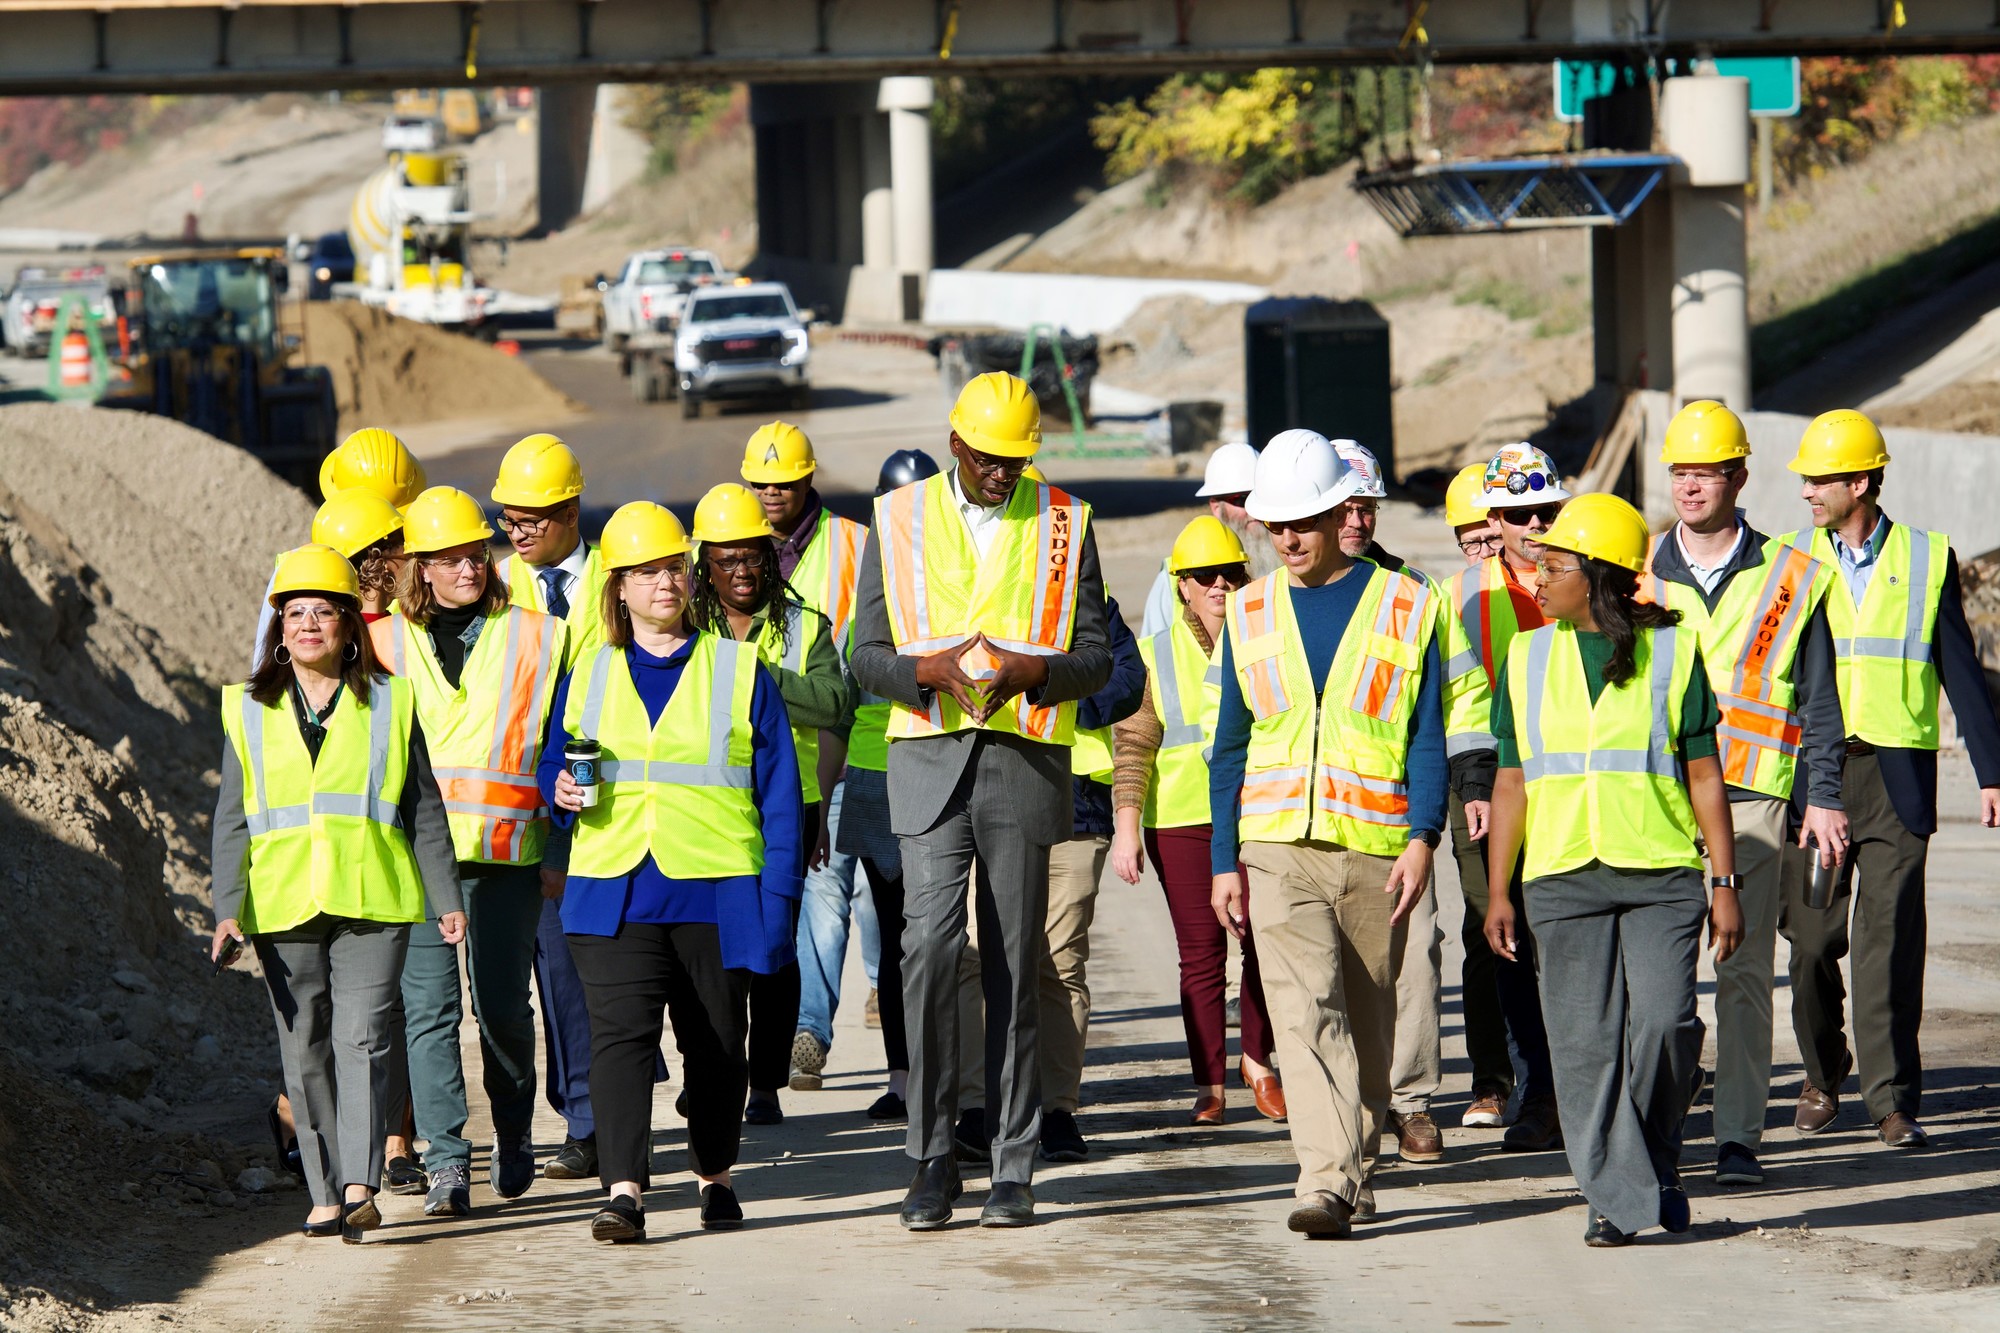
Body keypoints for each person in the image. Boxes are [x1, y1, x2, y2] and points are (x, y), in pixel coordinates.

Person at [850, 372, 1112, 1231]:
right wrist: (921, 671)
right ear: (956, 443)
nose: (1003, 473)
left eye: (1017, 460)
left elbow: (1097, 656)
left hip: (1022, 763)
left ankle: (1012, 1163)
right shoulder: (896, 518)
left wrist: (1034, 671)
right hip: (928, 760)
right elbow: (865, 654)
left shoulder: (1066, 521)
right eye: (990, 458)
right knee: (927, 950)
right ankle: (931, 1157)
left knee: (1013, 965)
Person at [538, 501, 803, 1243]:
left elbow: (781, 799)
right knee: (618, 1042)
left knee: (717, 1046)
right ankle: (623, 1191)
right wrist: (559, 789)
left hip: (716, 890)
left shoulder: (739, 670)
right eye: (646, 571)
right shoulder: (589, 671)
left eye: (673, 568)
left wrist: (778, 902)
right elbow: (555, 760)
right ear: (618, 588)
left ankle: (715, 1174)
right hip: (612, 892)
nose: (665, 581)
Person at [1483, 493, 1742, 1248]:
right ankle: (1616, 1196)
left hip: (1660, 872)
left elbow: (1705, 776)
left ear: (1597, 575)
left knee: (1666, 1025)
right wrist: (1498, 890)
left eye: (1552, 565)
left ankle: (1651, 1164)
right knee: (1584, 1047)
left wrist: (1724, 884)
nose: (1536, 576)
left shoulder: (1674, 652)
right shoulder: (1527, 657)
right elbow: (1510, 782)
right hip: (1561, 876)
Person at [1208, 429, 1447, 1240]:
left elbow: (1426, 733)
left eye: (1301, 521)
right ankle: (1324, 1179)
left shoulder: (1409, 604)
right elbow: (1229, 745)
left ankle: (1357, 1163)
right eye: (1274, 524)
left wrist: (1423, 835)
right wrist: (1224, 859)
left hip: (1377, 846)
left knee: (1369, 1025)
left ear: (1338, 512)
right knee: (1306, 1011)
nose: (1287, 538)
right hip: (1276, 847)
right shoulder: (1248, 610)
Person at [210, 544, 461, 1242]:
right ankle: (323, 1190)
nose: (309, 624)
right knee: (305, 1048)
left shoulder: (390, 702)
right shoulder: (247, 709)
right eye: (296, 613)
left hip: (373, 897)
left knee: (365, 1036)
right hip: (283, 902)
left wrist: (446, 896)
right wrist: (226, 910)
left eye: (324, 612)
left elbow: (424, 808)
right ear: (279, 629)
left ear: (350, 625)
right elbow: (231, 819)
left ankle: (359, 1184)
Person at [1775, 410, 2000, 1149]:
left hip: (1899, 775)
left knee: (1890, 940)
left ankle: (1891, 1099)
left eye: (1821, 479)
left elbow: (1959, 667)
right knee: (1812, 940)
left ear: (1862, 483)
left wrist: (1991, 770)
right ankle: (1822, 1071)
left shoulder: (1928, 557)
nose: (1807, 491)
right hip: (1817, 775)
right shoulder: (1789, 560)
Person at [1638, 401, 1849, 1187]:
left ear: (1739, 477)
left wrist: (1823, 795)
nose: (1690, 487)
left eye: (1706, 472)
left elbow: (1820, 702)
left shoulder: (1793, 577)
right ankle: (1659, 1123)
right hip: (1656, 797)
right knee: (1656, 982)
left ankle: (1737, 1137)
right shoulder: (1638, 575)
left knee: (1744, 971)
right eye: (1680, 472)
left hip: (1753, 794)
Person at [368, 486, 566, 1217]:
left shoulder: (540, 635)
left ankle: (513, 1131)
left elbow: (564, 741)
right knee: (429, 1010)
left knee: (504, 1010)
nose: (467, 568)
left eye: (475, 554)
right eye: (448, 558)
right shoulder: (381, 644)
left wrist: (561, 847)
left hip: (507, 855)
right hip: (416, 862)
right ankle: (448, 1160)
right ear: (418, 567)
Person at [948, 466, 1146, 1166]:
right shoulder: (959, 604)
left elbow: (1125, 682)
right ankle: (978, 1106)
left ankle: (1057, 1109)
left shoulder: (1088, 606)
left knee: (1058, 962)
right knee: (976, 958)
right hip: (983, 799)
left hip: (1074, 807)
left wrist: (1043, 687)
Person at [1112, 515, 1282, 1126]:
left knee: (1266, 940)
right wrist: (1127, 827)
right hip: (1181, 821)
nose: (1219, 585)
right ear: (1181, 585)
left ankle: (1258, 1062)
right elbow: (1133, 746)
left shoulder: (1268, 642)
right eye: (1204, 575)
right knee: (1202, 954)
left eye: (1230, 573)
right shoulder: (1155, 654)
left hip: (1257, 815)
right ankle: (1210, 1082)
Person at [688, 482, 849, 1125]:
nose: (742, 571)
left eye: (752, 557)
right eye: (727, 560)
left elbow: (833, 703)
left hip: (790, 807)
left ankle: (765, 1084)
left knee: (775, 949)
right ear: (705, 565)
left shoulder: (804, 624)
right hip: (708, 809)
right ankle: (712, 1065)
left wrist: (751, 675)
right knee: (708, 950)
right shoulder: (685, 627)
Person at [736, 421, 879, 1094]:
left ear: (808, 478)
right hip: (763, 765)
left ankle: (839, 1017)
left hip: (849, 742)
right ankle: (784, 1032)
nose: (772, 493)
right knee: (792, 898)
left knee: (844, 893)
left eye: (784, 482)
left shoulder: (854, 544)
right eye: (761, 483)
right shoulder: (727, 550)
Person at [489, 431, 611, 1182]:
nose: (517, 530)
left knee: (612, 971)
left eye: (531, 517)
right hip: (527, 808)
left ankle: (608, 1112)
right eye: (509, 516)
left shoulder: (616, 580)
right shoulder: (496, 586)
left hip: (615, 801)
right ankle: (587, 1118)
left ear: (571, 511)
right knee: (554, 974)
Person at [1329, 439, 1453, 1166]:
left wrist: (1426, 823)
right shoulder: (1283, 593)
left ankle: (1410, 1102)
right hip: (1313, 820)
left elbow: (1437, 713)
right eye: (1344, 507)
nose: (1356, 520)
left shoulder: (1415, 594)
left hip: (1397, 815)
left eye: (1366, 507)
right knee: (1330, 970)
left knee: (1415, 959)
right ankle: (1345, 1107)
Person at [298, 485, 423, 1194]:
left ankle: (392, 1140)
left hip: (387, 840)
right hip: (326, 856)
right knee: (341, 1015)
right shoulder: (333, 638)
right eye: (393, 549)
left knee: (378, 1010)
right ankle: (354, 1140)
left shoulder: (405, 631)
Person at [1445, 442, 1566, 1152]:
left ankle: (1576, 1084)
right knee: (1506, 938)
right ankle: (1535, 1090)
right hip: (1494, 785)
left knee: (1573, 938)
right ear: (1495, 519)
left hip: (1576, 784)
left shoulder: (1588, 573)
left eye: (1546, 508)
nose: (1536, 523)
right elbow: (1460, 701)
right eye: (1520, 514)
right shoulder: (1462, 595)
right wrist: (1474, 784)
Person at [838, 448, 943, 1122]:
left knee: (934, 937)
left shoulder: (950, 577)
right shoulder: (873, 586)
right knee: (901, 938)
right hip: (879, 778)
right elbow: (847, 690)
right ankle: (906, 1077)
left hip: (934, 770)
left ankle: (932, 1074)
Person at [1433, 462, 1516, 1134]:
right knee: (1485, 927)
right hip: (1479, 782)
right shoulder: (1451, 596)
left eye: (1491, 536)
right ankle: (1492, 1080)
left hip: (1556, 777)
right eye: (1471, 542)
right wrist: (1468, 787)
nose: (1484, 551)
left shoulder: (1555, 579)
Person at [1141, 440, 1281, 636]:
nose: (1254, 509)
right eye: (1242, 500)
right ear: (1216, 507)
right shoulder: (1175, 575)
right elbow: (1154, 647)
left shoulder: (1291, 557)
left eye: (1259, 496)